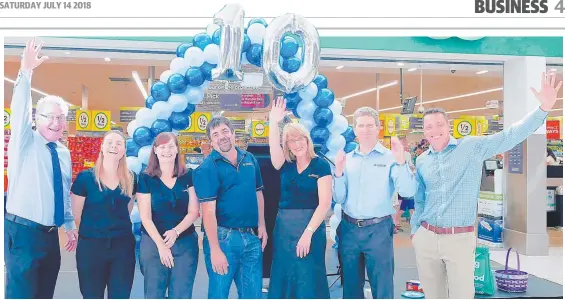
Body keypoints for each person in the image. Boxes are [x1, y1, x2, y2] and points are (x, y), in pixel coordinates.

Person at [410, 73, 562, 299]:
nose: (435, 130)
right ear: (424, 131)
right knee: (433, 295)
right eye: (429, 126)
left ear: (448, 125)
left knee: (462, 295)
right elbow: (420, 198)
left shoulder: (471, 147)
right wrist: (415, 231)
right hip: (427, 237)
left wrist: (543, 109)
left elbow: (509, 136)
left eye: (439, 124)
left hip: (459, 239)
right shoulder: (422, 160)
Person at [4, 38, 78, 299]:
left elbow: (63, 190)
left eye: (61, 118)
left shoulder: (63, 152)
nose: (57, 123)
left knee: (45, 294)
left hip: (50, 238)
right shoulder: (24, 141)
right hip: (22, 234)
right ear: (37, 118)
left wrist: (69, 223)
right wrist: (26, 72)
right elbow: (19, 109)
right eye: (50, 117)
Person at [333, 106, 417, 299]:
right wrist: (338, 172)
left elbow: (407, 191)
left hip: (378, 230)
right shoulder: (347, 159)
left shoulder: (390, 158)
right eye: (361, 125)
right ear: (355, 130)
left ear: (378, 127)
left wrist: (401, 161)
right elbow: (339, 198)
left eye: (370, 125)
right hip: (349, 229)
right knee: (351, 288)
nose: (366, 129)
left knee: (382, 285)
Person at [193, 116, 268, 299]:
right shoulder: (206, 168)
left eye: (225, 131)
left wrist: (262, 225)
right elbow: (208, 212)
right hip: (222, 238)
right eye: (215, 134)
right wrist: (215, 249)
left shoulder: (249, 159)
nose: (222, 137)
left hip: (251, 238)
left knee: (253, 294)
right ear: (211, 141)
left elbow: (258, 193)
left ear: (234, 134)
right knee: (219, 293)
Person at [266, 98, 332, 299]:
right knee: (284, 275)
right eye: (291, 141)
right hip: (284, 230)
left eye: (299, 139)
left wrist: (308, 234)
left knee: (308, 277)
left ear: (307, 139)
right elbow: (273, 150)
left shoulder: (320, 165)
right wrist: (273, 121)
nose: (296, 144)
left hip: (310, 229)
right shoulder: (284, 164)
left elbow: (325, 204)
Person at [70, 130, 137, 299]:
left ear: (124, 150)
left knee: (120, 295)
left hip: (123, 248)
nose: (114, 146)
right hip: (91, 248)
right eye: (109, 142)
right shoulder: (85, 178)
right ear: (102, 147)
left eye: (119, 143)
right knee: (92, 295)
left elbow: (127, 210)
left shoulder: (131, 179)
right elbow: (77, 215)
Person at [137, 132, 200, 299]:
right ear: (155, 151)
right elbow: (145, 217)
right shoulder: (145, 178)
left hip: (185, 243)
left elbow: (193, 211)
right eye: (163, 147)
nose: (167, 151)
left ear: (177, 149)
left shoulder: (188, 176)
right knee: (154, 293)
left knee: (181, 293)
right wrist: (161, 245)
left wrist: (176, 231)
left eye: (171, 146)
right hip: (153, 243)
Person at [394, 137, 416, 232]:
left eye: (406, 143)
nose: (405, 145)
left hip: (407, 183)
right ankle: (395, 223)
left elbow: (410, 165)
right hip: (397, 184)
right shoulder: (393, 155)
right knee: (398, 205)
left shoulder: (407, 154)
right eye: (403, 143)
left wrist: (412, 168)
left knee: (407, 205)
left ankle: (398, 223)